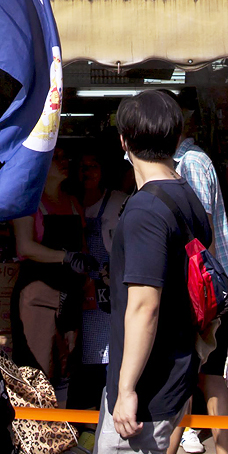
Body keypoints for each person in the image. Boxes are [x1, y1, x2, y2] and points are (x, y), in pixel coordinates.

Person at [91, 90, 214, 454]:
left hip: (147, 382)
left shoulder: (145, 208)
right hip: (172, 368)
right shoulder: (187, 198)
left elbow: (145, 306)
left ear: (124, 140)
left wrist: (126, 390)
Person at [172, 130, 228, 454]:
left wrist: (203, 294)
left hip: (204, 292)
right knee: (207, 380)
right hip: (208, 290)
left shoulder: (192, 163)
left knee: (185, 379)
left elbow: (199, 236)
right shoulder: (187, 161)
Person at [11, 150, 92, 405]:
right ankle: (36, 435)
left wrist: (87, 268)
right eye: (57, 158)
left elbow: (83, 246)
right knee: (37, 369)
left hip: (69, 294)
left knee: (66, 364)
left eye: (65, 157)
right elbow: (25, 246)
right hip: (37, 296)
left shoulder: (73, 202)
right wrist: (66, 257)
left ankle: (62, 433)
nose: (65, 162)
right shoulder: (27, 202)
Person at [71, 148, 127, 415]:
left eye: (94, 165)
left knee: (104, 356)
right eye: (83, 165)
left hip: (104, 294)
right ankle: (82, 419)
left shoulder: (117, 203)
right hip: (73, 290)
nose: (87, 171)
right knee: (74, 356)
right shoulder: (68, 202)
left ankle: (105, 416)